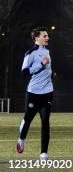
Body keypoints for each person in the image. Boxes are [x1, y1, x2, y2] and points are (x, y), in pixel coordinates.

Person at [16, 27, 54, 160]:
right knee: (28, 119)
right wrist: (41, 65)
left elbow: (47, 70)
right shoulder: (30, 53)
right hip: (33, 93)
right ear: (37, 38)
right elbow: (24, 72)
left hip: (47, 92)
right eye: (45, 36)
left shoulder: (48, 52)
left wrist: (51, 74)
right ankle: (21, 139)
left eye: (47, 35)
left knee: (45, 121)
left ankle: (44, 153)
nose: (47, 38)